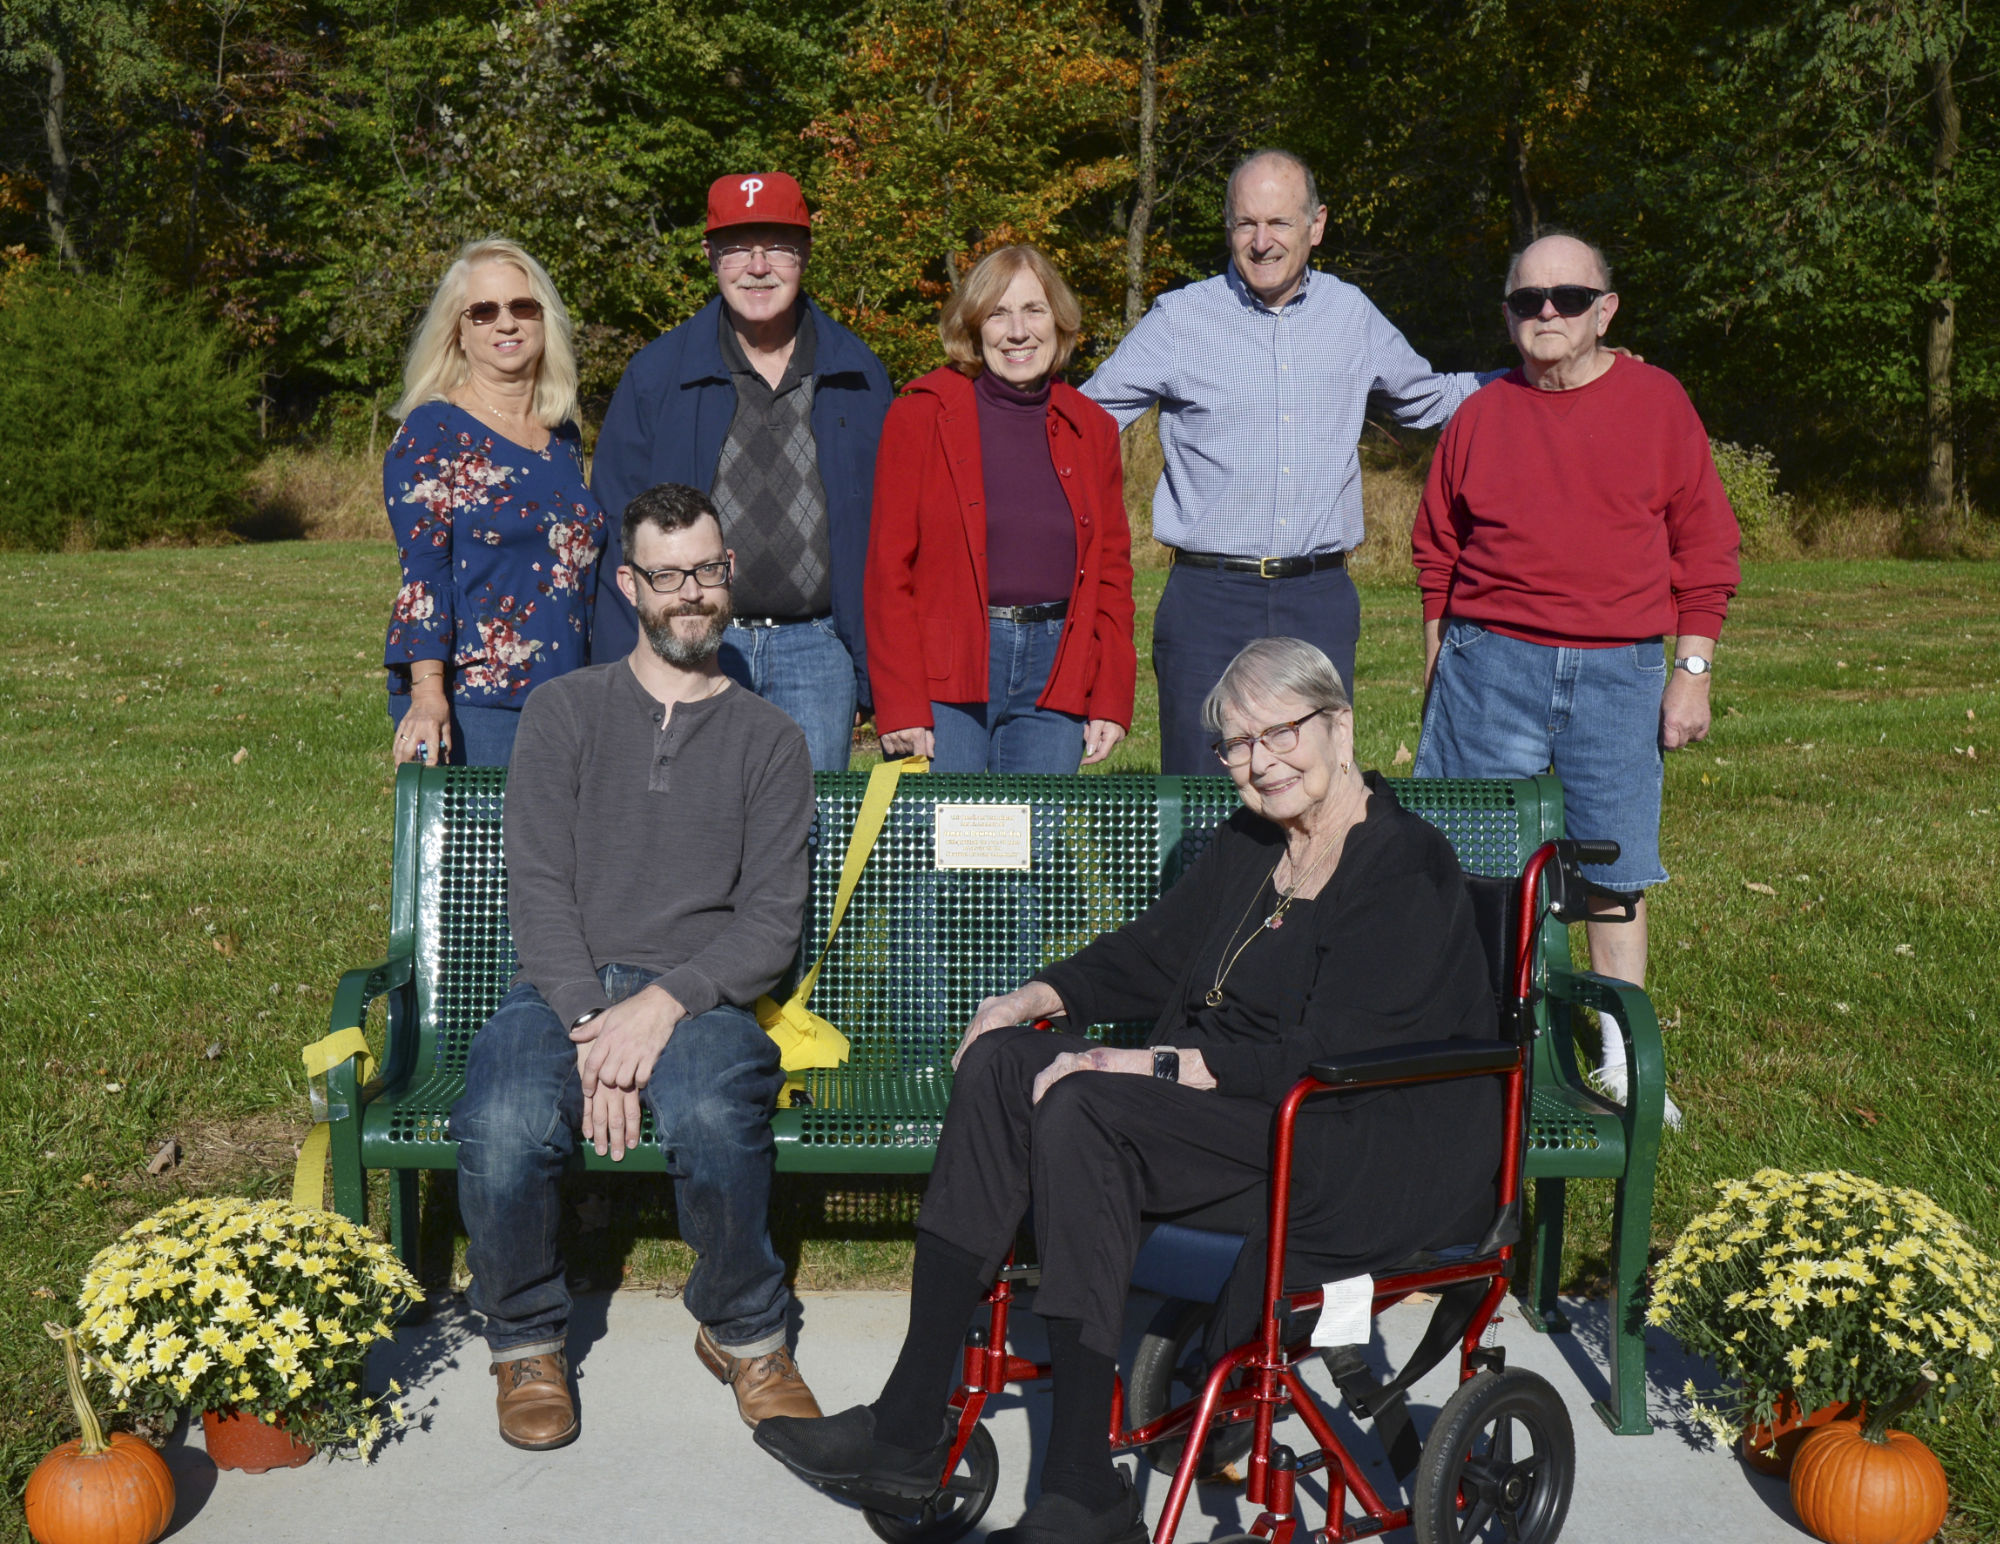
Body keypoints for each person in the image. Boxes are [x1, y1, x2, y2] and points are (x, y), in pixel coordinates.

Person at [757, 637, 1503, 1544]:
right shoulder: (1252, 845)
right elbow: (1151, 956)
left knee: (1087, 1102)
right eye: (1238, 745)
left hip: (1336, 1137)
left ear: (1339, 726)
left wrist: (1143, 1064)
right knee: (1002, 1063)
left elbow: (1332, 1053)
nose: (1262, 763)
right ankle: (910, 1421)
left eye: (1283, 734)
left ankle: (1078, 1486)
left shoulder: (1399, 863)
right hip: (1222, 1117)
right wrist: (1036, 996)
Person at [450, 482, 822, 1450]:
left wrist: (660, 1004)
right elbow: (535, 885)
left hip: (701, 999)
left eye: (706, 570)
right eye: (667, 576)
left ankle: (744, 1329)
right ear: (629, 585)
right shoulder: (563, 710)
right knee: (502, 1116)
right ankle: (525, 1337)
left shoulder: (769, 741)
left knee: (708, 1111)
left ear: (728, 573)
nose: (690, 593)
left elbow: (769, 921)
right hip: (562, 988)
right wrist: (589, 1020)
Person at [1412, 231, 1742, 1130]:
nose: (1546, 314)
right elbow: (1437, 543)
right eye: (1528, 301)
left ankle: (1616, 1051)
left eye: (1567, 298)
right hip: (1490, 662)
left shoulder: (1657, 402)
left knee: (1614, 866)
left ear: (1607, 309)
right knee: (1468, 858)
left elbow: (1705, 543)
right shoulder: (1479, 415)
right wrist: (1440, 657)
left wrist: (1693, 670)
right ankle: (1472, 1037)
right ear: (1508, 314)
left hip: (1619, 671)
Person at [1082, 149, 1496, 775]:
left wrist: (1534, 376)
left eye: (1279, 222)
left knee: (1316, 789)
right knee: (1201, 795)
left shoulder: (1350, 316)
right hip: (1207, 597)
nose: (1262, 241)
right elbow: (1085, 419)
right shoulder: (1180, 319)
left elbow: (1425, 399)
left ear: (1317, 225)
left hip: (1316, 595)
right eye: (1247, 223)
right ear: (1229, 228)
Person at [589, 172, 895, 770]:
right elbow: (613, 535)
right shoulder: (657, 376)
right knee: (693, 822)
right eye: (737, 247)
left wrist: (871, 666)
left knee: (802, 830)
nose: (758, 267)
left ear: (804, 252)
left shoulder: (858, 375)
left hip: (818, 648)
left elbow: (888, 536)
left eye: (776, 245)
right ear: (710, 256)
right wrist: (619, 665)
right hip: (695, 638)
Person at [867, 245, 1136, 773]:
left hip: (1057, 670)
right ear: (973, 326)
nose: (1018, 331)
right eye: (998, 313)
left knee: (1033, 850)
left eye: (1033, 310)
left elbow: (1111, 572)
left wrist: (1110, 695)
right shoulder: (919, 415)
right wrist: (899, 701)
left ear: (1058, 320)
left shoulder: (1092, 429)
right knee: (950, 847)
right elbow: (886, 571)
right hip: (948, 670)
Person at [383, 238, 605, 768]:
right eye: (483, 312)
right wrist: (428, 695)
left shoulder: (563, 439)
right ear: (457, 333)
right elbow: (424, 574)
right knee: (482, 853)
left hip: (571, 696)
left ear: (543, 319)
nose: (506, 323)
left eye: (521, 307)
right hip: (477, 705)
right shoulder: (432, 432)